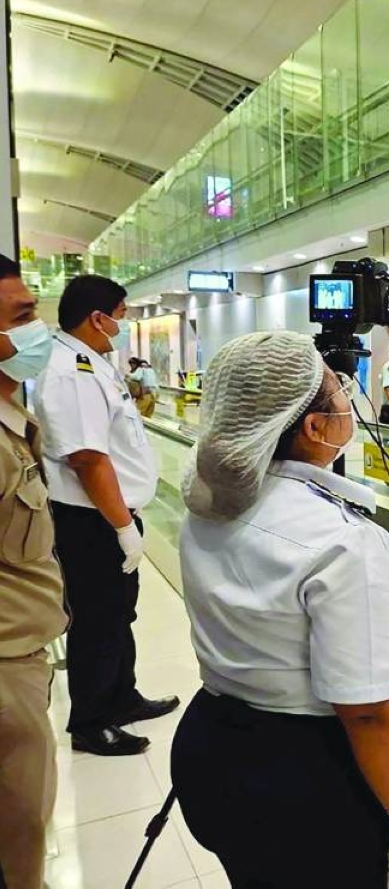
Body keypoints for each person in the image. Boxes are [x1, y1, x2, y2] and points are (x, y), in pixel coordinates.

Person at [172, 331, 389, 888]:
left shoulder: (208, 502)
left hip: (217, 749)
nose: (348, 394)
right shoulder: (339, 542)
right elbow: (366, 708)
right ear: (317, 427)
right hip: (311, 781)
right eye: (337, 387)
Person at [35, 275, 175, 756]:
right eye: (122, 312)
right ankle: (91, 723)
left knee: (119, 614)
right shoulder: (71, 371)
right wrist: (121, 528)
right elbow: (87, 459)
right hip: (91, 522)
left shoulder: (91, 363)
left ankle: (122, 697)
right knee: (96, 620)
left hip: (110, 515)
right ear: (98, 318)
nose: (124, 321)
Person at [0, 256, 66, 889]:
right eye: (21, 319)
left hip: (24, 658)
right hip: (3, 670)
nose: (35, 330)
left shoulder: (14, 423)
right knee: (17, 854)